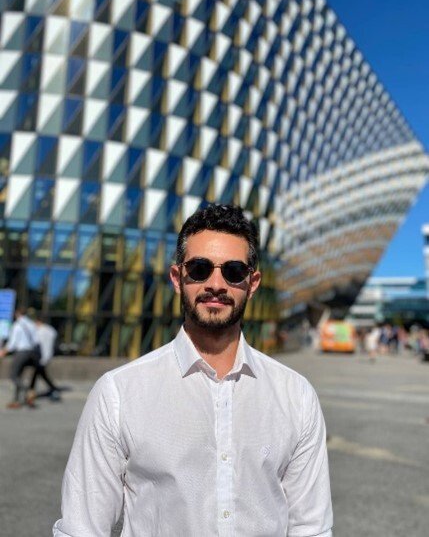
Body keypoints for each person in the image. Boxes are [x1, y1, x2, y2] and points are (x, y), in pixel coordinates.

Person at [53, 204, 333, 537]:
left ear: (252, 282)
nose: (216, 283)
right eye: (200, 268)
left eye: (233, 271)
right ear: (177, 277)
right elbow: (82, 528)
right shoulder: (119, 393)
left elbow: (311, 528)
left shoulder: (295, 395)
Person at [0, 307, 40, 408]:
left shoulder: (17, 325)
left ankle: (28, 391)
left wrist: (4, 351)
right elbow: (36, 341)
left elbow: (12, 344)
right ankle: (16, 400)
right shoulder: (31, 324)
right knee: (19, 376)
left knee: (13, 376)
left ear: (17, 314)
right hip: (31, 353)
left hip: (21, 353)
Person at [27, 315, 61, 403]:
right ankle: (32, 390)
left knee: (40, 374)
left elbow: (36, 343)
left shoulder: (38, 331)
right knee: (40, 373)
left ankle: (52, 389)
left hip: (40, 356)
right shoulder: (50, 330)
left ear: (38, 322)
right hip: (48, 355)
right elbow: (55, 336)